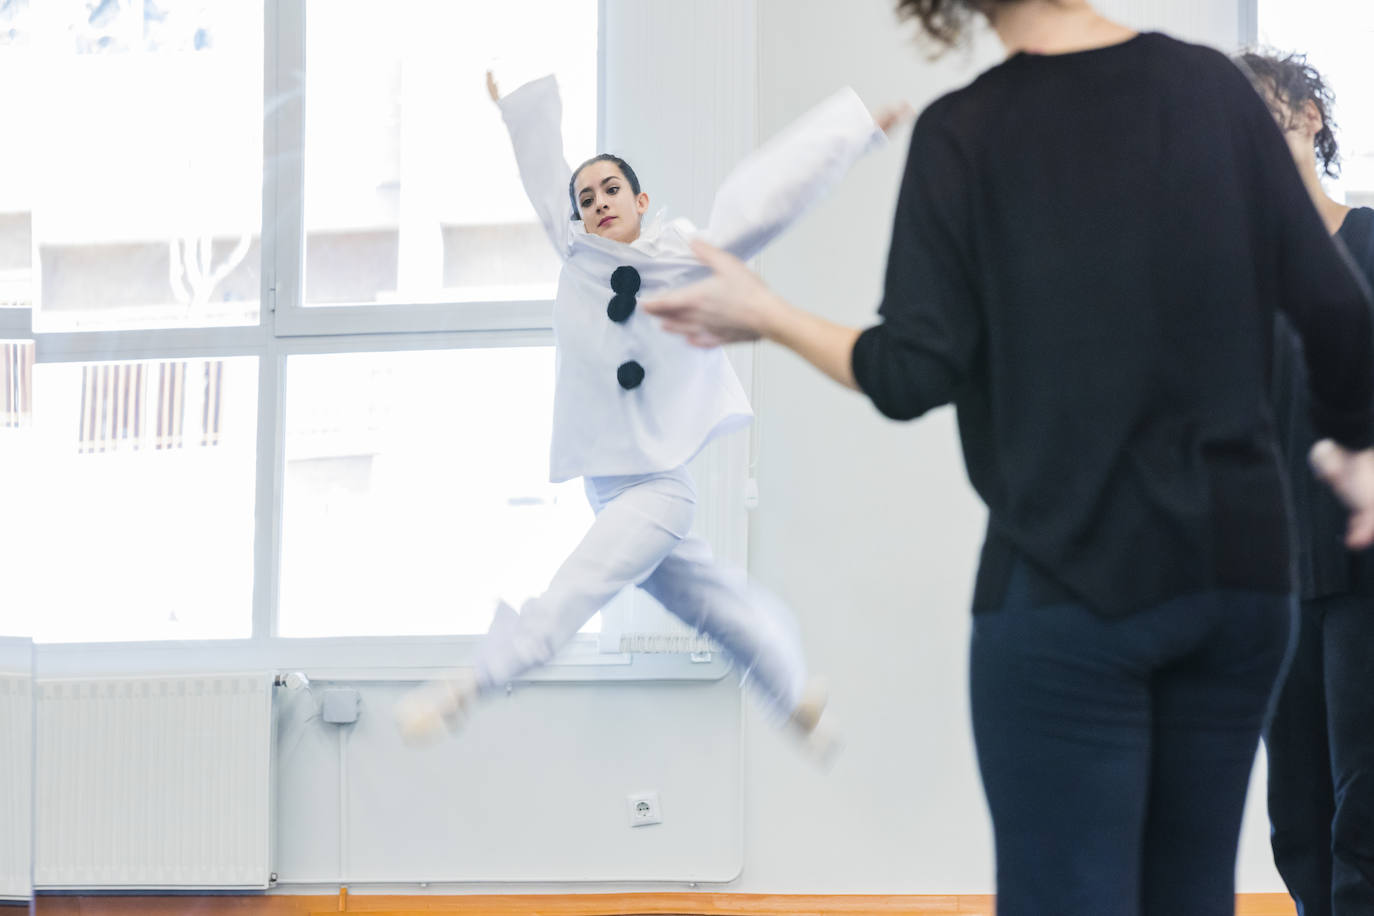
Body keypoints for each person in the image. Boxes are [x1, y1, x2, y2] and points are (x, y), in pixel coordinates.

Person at [643, 1, 1374, 913]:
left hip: (1067, 591)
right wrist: (1354, 446)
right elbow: (1339, 312)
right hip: (1236, 590)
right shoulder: (1211, 92)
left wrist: (767, 314)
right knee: (1189, 893)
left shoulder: (966, 134)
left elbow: (909, 370)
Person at [395, 70, 909, 755]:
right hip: (608, 491)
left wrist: (853, 131)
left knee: (573, 592)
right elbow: (544, 172)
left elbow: (765, 199)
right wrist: (513, 110)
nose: (598, 202)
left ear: (640, 200)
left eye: (612, 189)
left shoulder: (683, 258)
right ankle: (794, 697)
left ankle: (471, 683)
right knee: (718, 607)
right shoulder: (577, 255)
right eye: (586, 197)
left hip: (656, 490)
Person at [1240, 48, 1374, 916]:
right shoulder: (1234, 271)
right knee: (1293, 814)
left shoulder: (1369, 239)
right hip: (1268, 573)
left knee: (1360, 806)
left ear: (1311, 117)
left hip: (1364, 570)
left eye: (1269, 112)